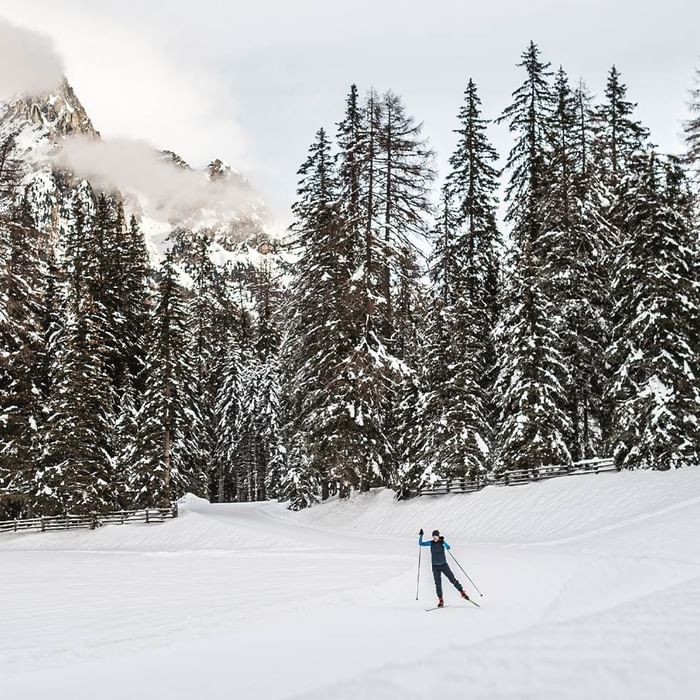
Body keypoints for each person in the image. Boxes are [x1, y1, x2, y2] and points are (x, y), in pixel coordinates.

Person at [418, 528, 470, 607]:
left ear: (439, 536)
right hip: (435, 566)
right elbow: (421, 543)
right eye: (433, 536)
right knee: (438, 583)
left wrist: (444, 542)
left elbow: (448, 547)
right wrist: (421, 535)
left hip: (444, 565)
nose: (435, 538)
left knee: (452, 579)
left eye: (436, 536)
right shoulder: (431, 543)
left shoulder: (442, 542)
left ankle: (462, 592)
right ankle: (441, 600)